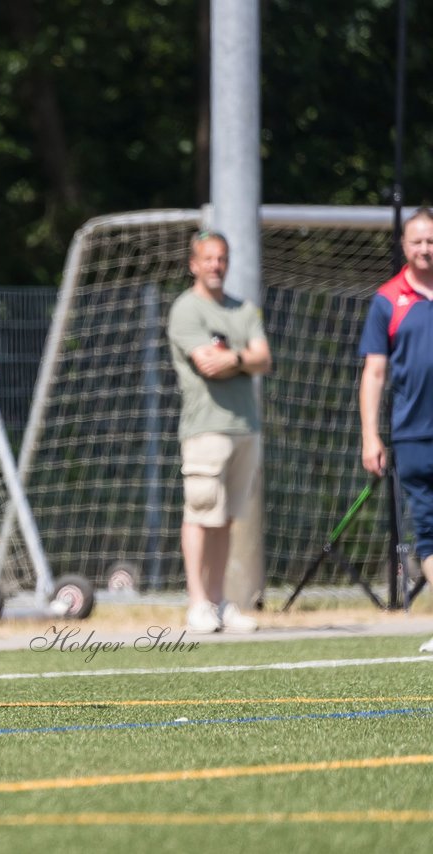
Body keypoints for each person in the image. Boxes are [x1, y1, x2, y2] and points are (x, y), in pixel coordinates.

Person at [167, 230, 271, 634]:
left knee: (227, 519)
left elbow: (264, 359)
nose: (216, 265)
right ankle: (197, 602)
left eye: (222, 258)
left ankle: (220, 600)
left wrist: (236, 358)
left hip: (245, 427)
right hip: (205, 427)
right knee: (200, 514)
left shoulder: (242, 308)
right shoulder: (186, 310)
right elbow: (206, 362)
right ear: (194, 263)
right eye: (208, 259)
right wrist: (244, 357)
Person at [358, 208, 433, 652]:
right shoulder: (388, 300)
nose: (426, 248)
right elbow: (373, 373)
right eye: (418, 241)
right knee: (429, 531)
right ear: (404, 246)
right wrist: (371, 435)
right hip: (415, 436)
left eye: (432, 240)